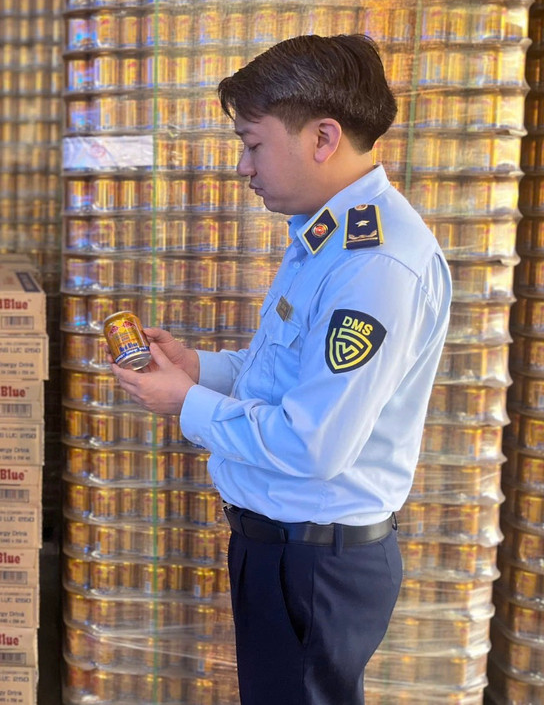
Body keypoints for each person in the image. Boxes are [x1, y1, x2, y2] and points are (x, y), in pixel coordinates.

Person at [111, 34, 451, 705]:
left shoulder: (374, 265)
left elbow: (312, 442)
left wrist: (185, 403)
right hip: (285, 549)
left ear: (322, 138)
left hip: (315, 563)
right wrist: (198, 368)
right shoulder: (326, 238)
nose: (245, 167)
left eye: (253, 144)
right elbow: (285, 376)